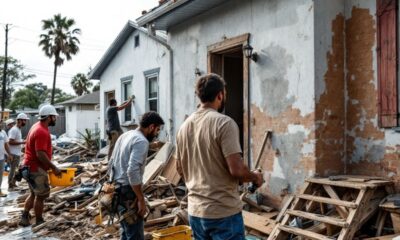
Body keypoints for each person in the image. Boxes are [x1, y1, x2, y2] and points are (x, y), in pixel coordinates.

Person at [176, 73, 264, 240]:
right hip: (223, 213)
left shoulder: (184, 127)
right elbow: (237, 171)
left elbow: (180, 169)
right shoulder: (224, 123)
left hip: (195, 212)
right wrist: (255, 177)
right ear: (220, 95)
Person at [110, 111, 164, 240]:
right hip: (128, 191)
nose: (157, 134)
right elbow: (132, 171)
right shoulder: (141, 141)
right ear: (151, 127)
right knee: (135, 234)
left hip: (116, 188)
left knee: (126, 231)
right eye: (157, 130)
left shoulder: (125, 135)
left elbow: (112, 161)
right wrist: (140, 199)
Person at [19, 105, 61, 227]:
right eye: (54, 117)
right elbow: (40, 154)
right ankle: (39, 221)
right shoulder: (41, 131)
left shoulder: (36, 126)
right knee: (41, 196)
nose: (55, 119)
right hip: (36, 169)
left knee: (33, 194)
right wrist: (54, 167)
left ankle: (24, 217)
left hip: (28, 166)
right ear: (49, 117)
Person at [8, 113, 29, 190]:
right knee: (13, 170)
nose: (25, 122)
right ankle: (10, 185)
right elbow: (10, 142)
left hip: (17, 153)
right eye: (24, 120)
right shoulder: (14, 130)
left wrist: (22, 142)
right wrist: (23, 142)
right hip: (13, 154)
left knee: (15, 170)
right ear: (20, 120)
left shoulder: (18, 129)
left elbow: (16, 140)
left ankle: (13, 184)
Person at [0, 123, 12, 197]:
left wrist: (9, 154)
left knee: (0, 175)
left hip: (1, 158)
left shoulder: (3, 132)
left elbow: (6, 144)